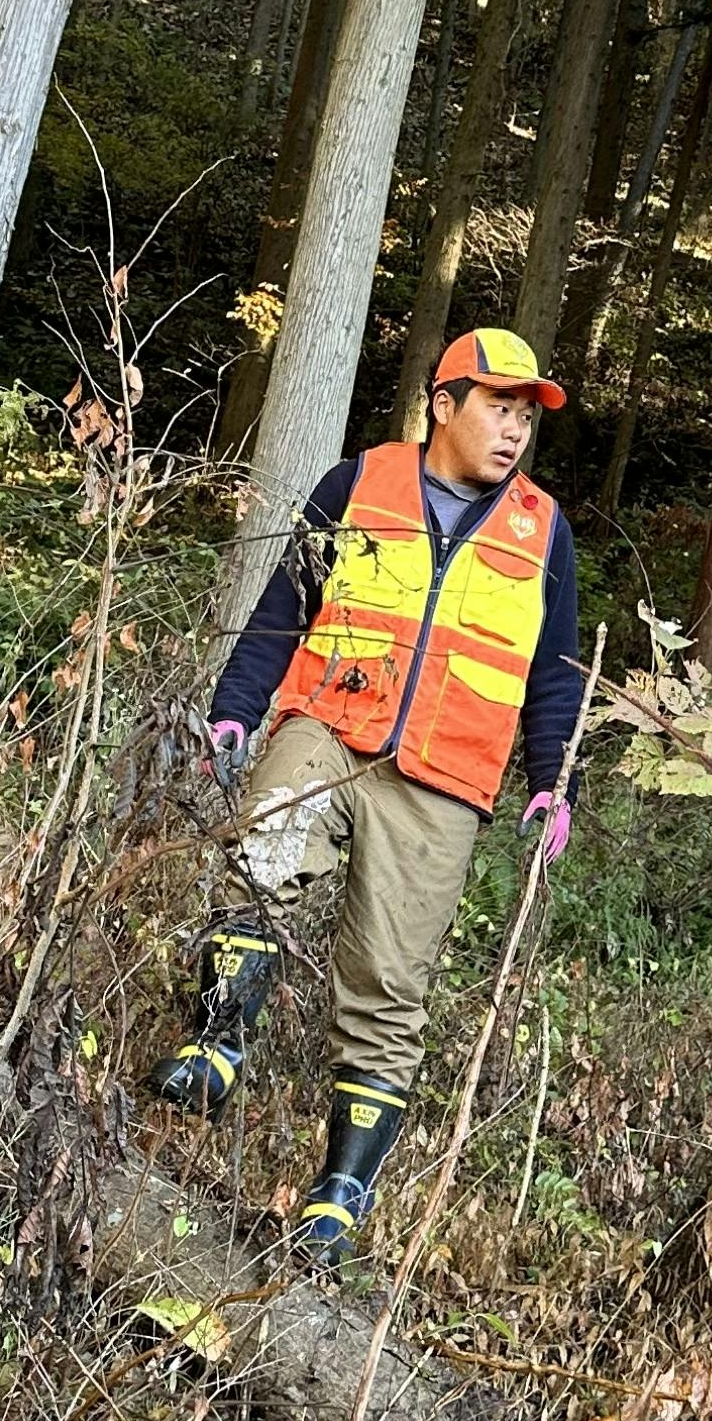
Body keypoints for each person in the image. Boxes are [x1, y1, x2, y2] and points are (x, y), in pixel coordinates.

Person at [158, 323, 584, 1257]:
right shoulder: (356, 485)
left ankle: (339, 1197)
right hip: (329, 725)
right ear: (444, 405)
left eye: (527, 417)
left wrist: (553, 782)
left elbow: (555, 674)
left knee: (390, 983)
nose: (515, 431)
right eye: (499, 409)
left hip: (445, 779)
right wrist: (235, 711)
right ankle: (217, 1044)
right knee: (263, 857)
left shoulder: (544, 530)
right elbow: (283, 609)